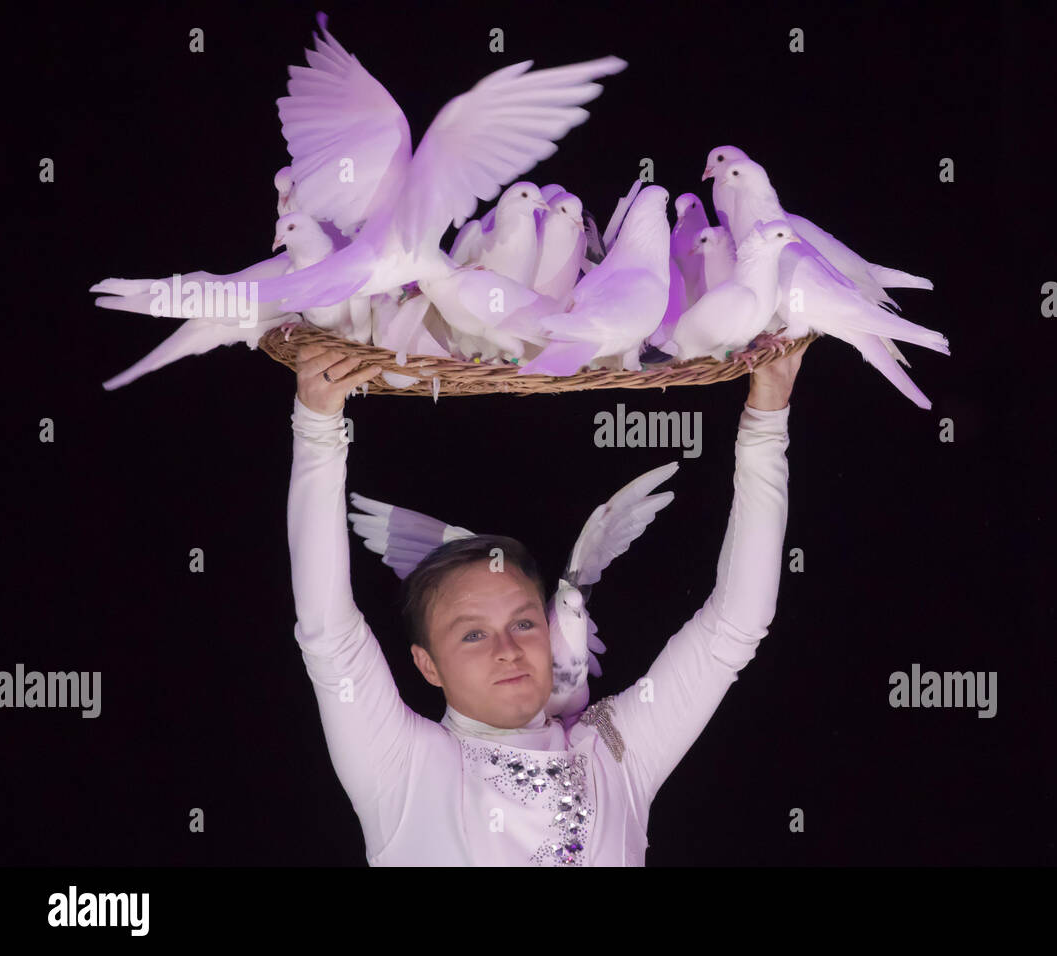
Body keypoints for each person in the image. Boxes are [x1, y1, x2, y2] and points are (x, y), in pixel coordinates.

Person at [288, 343, 802, 865]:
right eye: (472, 634)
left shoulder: (615, 755)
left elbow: (737, 623)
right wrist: (315, 428)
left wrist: (768, 413)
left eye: (525, 623)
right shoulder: (401, 768)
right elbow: (328, 637)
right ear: (427, 664)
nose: (508, 650)